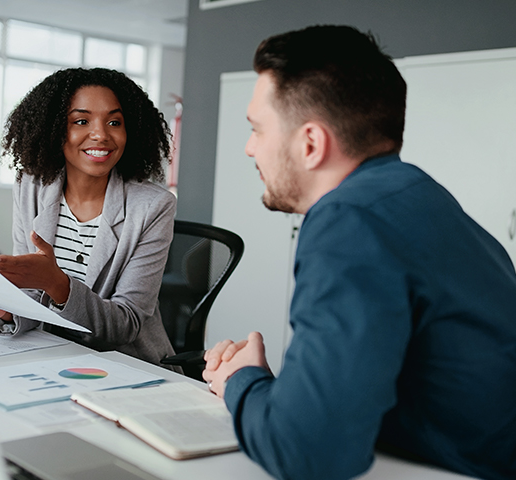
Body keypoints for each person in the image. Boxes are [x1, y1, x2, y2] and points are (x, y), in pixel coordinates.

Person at [203, 25, 516, 480]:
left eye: (256, 129)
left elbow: (310, 454)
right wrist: (281, 391)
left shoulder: (348, 220)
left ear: (310, 143)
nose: (250, 147)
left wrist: (239, 382)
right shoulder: (418, 197)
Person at [0, 67, 178, 367]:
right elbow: (31, 295)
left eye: (114, 122)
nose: (101, 134)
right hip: (50, 354)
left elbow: (126, 324)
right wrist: (1, 310)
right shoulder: (31, 186)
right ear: (54, 129)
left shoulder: (154, 206)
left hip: (125, 366)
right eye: (81, 121)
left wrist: (58, 284)